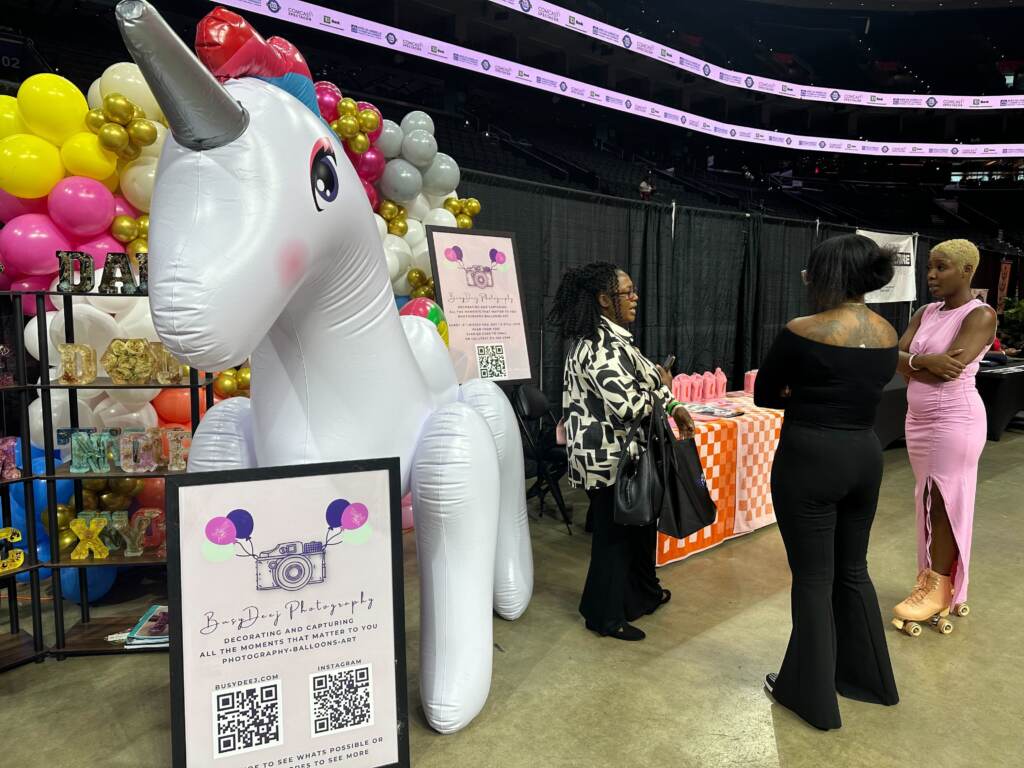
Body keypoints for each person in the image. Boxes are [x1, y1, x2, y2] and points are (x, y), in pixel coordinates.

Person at [754, 234, 900, 730]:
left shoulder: (804, 329)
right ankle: (867, 681)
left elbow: (766, 394)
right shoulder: (887, 332)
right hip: (865, 454)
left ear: (826, 273)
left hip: (811, 457)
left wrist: (802, 395)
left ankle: (809, 696)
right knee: (853, 570)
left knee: (813, 580)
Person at [548, 262, 694, 641]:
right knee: (613, 540)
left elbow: (650, 377)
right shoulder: (598, 347)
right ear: (604, 300)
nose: (635, 298)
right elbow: (630, 404)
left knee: (639, 531)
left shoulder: (617, 339)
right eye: (627, 292)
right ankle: (603, 616)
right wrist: (661, 386)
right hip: (607, 461)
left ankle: (642, 596)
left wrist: (674, 404)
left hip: (626, 457)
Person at [893, 240, 996, 631]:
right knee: (928, 498)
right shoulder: (925, 311)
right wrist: (921, 361)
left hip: (955, 420)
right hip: (919, 420)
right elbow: (896, 358)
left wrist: (913, 363)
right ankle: (932, 579)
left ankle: (939, 587)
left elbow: (948, 370)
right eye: (930, 267)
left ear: (968, 270)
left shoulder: (980, 315)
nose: (932, 275)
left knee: (945, 501)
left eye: (942, 267)